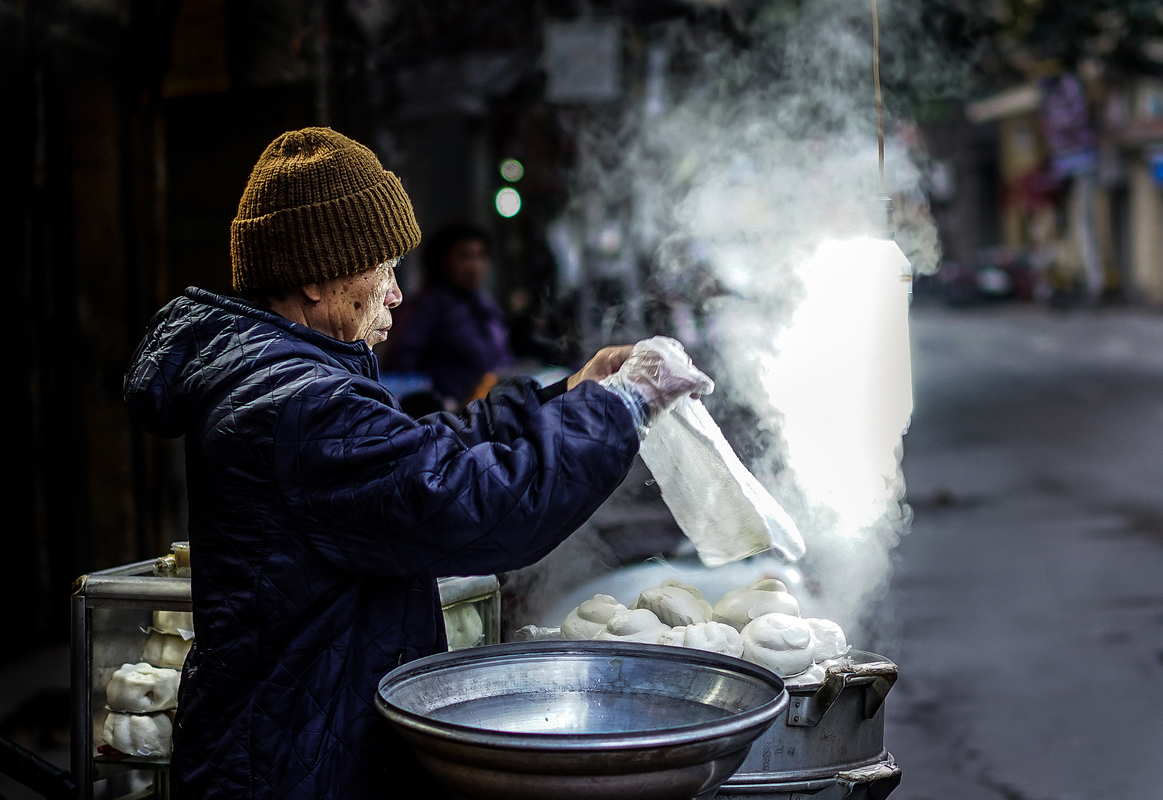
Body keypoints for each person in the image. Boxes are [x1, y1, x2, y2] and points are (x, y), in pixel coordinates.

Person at [122, 127, 712, 800]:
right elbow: (472, 502)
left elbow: (419, 447)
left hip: (294, 745)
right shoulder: (297, 406)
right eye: (382, 268)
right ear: (316, 278)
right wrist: (621, 409)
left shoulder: (285, 380)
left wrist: (573, 393)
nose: (397, 295)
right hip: (294, 768)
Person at [380, 221, 515, 407]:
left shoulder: (486, 306)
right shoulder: (425, 306)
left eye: (481, 256)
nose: (474, 266)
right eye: (464, 256)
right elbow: (400, 365)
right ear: (443, 260)